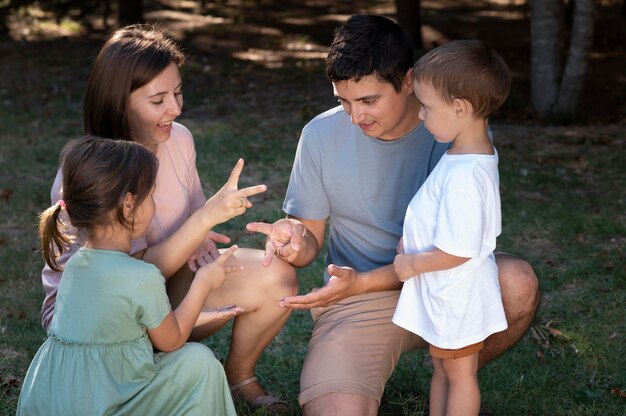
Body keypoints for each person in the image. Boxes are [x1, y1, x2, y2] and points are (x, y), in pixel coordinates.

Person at [247, 14, 539, 416]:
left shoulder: (456, 134)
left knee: (517, 282)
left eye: (368, 101)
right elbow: (309, 239)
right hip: (358, 296)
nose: (355, 117)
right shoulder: (319, 135)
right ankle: (436, 374)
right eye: (343, 101)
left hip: (442, 284)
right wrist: (294, 238)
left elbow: (459, 249)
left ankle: (456, 373)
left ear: (407, 81)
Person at [39, 24, 296, 411]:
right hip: (98, 316)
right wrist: (202, 222)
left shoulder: (179, 138)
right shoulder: (89, 174)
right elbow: (118, 277)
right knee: (168, 324)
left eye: (177, 93)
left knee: (274, 275)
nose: (175, 109)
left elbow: (191, 216)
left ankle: (238, 376)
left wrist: (203, 238)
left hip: (154, 285)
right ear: (119, 102)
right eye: (158, 100)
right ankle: (150, 373)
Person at [19, 136, 238, 415]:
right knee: (200, 362)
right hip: (107, 404)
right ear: (128, 205)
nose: (154, 205)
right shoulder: (142, 277)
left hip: (56, 401)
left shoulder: (75, 266)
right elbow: (171, 340)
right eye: (152, 196)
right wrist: (204, 282)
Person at [391, 40, 511, 416]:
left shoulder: (464, 175)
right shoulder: (469, 151)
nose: (422, 116)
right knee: (445, 368)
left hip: (456, 294)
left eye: (427, 107)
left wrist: (411, 264)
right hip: (447, 291)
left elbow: (458, 248)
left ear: (460, 108)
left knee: (458, 374)